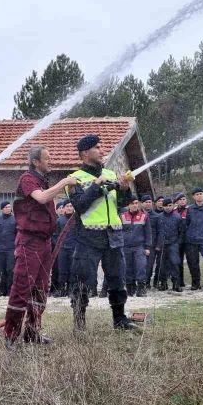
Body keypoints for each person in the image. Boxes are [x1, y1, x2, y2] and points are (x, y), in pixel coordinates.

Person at [3, 147, 77, 348]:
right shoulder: (27, 179)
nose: (51, 161)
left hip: (44, 242)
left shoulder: (42, 181)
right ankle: (11, 335)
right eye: (48, 158)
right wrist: (64, 183)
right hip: (29, 242)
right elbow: (42, 198)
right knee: (22, 288)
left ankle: (32, 332)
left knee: (40, 290)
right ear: (36, 161)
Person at [67, 134, 138, 332]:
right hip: (88, 237)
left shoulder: (111, 174)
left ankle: (120, 320)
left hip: (114, 236)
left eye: (101, 146)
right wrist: (97, 186)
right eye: (97, 147)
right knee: (82, 281)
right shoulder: (75, 179)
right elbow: (80, 205)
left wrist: (124, 189)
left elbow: (122, 204)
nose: (101, 150)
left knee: (117, 279)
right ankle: (79, 324)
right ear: (84, 153)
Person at [120, 195, 152, 297]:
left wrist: (147, 247)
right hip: (125, 246)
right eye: (132, 203)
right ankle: (130, 288)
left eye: (136, 203)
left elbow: (148, 233)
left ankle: (141, 288)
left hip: (140, 246)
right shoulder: (122, 216)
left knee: (141, 267)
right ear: (128, 205)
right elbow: (118, 232)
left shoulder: (144, 216)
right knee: (127, 268)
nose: (135, 205)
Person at [155, 197, 183, 292]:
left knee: (175, 263)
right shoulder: (158, 218)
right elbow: (156, 232)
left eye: (170, 205)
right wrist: (158, 244)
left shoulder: (178, 217)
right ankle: (163, 283)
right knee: (162, 264)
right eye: (165, 206)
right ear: (162, 207)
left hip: (173, 243)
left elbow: (181, 232)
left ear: (173, 206)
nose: (168, 207)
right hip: (162, 244)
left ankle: (176, 283)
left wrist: (178, 242)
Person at [0, 200, 16, 296]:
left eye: (9, 207)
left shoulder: (15, 220)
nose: (8, 209)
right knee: (0, 271)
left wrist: (17, 248)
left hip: (11, 249)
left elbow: (18, 235)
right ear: (2, 209)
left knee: (10, 270)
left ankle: (10, 291)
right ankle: (1, 291)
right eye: (5, 207)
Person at [55, 199, 77, 297]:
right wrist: (59, 245)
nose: (69, 208)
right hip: (62, 249)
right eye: (67, 206)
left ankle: (71, 290)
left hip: (74, 248)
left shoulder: (77, 219)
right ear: (63, 208)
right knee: (62, 269)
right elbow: (55, 235)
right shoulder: (59, 220)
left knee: (72, 270)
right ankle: (61, 289)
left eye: (71, 206)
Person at [147, 195, 165, 289]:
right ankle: (145, 282)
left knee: (158, 264)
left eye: (149, 202)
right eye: (146, 202)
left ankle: (156, 281)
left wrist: (158, 244)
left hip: (156, 244)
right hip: (146, 244)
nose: (148, 204)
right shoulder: (142, 215)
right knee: (146, 265)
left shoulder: (157, 216)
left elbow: (160, 231)